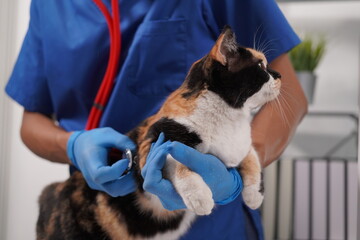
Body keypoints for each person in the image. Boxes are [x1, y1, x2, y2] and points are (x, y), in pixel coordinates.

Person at [5, 0, 307, 239]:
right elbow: (31, 123)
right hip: (98, 218)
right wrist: (72, 145)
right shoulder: (49, 5)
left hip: (208, 225)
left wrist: (239, 170)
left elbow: (290, 94)